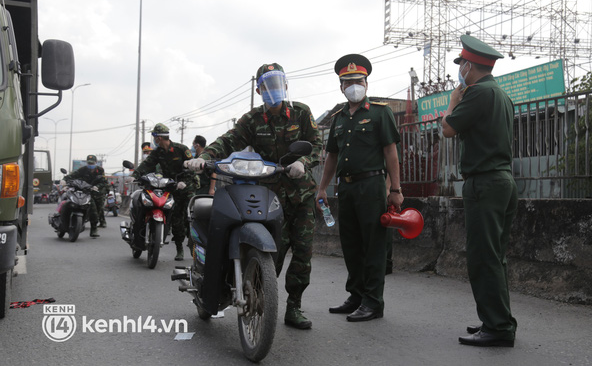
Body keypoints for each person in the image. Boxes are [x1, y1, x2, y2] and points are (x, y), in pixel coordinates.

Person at [186, 63, 322, 330]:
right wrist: (203, 158)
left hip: (302, 193)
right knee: (274, 251)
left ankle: (294, 306)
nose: (273, 90)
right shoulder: (252, 120)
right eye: (266, 85)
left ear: (285, 84)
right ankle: (263, 299)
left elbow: (317, 144)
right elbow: (228, 140)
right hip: (269, 194)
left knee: (304, 253)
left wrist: (304, 162)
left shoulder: (301, 112)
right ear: (259, 90)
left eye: (276, 83)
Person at [441, 34, 518, 347]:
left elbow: (447, 129)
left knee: (483, 258)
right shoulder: (501, 94)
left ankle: (498, 328)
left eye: (461, 65)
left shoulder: (477, 93)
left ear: (469, 65)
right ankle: (496, 320)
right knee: (494, 257)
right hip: (503, 181)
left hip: (485, 183)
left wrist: (451, 103)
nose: (460, 71)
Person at [316, 54, 403, 322]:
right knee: (351, 244)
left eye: (359, 80)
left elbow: (391, 152)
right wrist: (322, 189)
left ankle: (373, 301)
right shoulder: (339, 117)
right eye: (349, 81)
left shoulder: (380, 112)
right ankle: (356, 295)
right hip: (347, 188)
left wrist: (395, 189)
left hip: (372, 186)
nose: (354, 85)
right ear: (341, 87)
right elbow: (331, 155)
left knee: (374, 245)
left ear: (366, 83)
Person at [132, 123, 196, 261]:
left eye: (154, 136)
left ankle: (193, 245)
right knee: (177, 219)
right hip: (172, 186)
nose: (154, 140)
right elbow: (147, 164)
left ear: (159, 137)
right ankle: (179, 249)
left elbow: (192, 167)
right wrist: (135, 175)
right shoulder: (158, 152)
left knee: (190, 217)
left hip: (187, 186)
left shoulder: (181, 149)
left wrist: (184, 181)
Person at [63, 154, 108, 238]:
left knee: (98, 212)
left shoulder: (100, 170)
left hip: (98, 193)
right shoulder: (83, 170)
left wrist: (97, 186)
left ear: (96, 162)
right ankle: (93, 229)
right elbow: (72, 175)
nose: (91, 165)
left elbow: (104, 181)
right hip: (86, 193)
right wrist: (64, 180)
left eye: (92, 163)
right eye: (89, 163)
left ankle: (94, 227)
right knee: (93, 210)